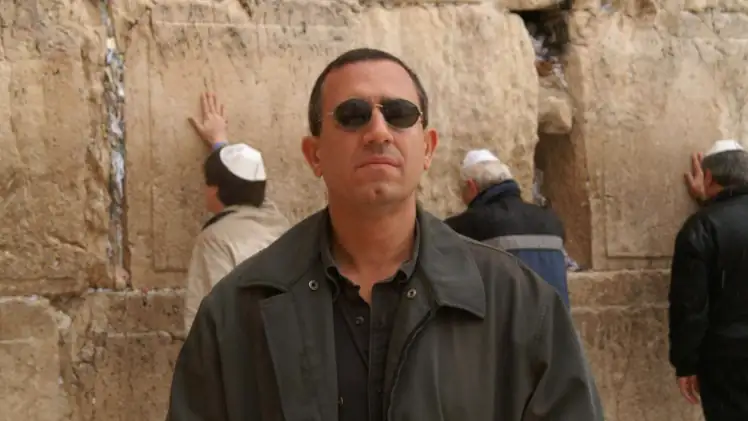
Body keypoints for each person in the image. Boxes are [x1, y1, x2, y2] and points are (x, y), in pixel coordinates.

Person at [166, 48, 602, 421]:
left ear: (427, 148)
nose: (378, 132)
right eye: (352, 116)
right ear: (314, 154)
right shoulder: (235, 313)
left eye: (399, 115)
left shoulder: (518, 304)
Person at [183, 92, 289, 330]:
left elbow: (208, 320)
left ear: (214, 190)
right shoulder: (278, 223)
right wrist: (219, 142)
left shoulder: (215, 240)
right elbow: (247, 183)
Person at [670, 139, 748, 421]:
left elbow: (690, 305)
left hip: (727, 359)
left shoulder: (702, 227)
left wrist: (686, 363)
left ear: (709, 177)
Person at [444, 149, 571, 305]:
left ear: (471, 186)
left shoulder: (465, 225)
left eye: (461, 190)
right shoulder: (552, 221)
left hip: (506, 320)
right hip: (555, 319)